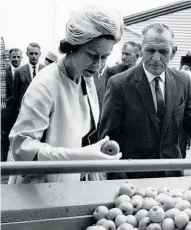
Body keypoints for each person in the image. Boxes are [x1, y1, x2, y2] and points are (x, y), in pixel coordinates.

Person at [99, 23, 191, 180]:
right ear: (140, 49)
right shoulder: (119, 84)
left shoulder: (182, 81)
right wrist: (119, 180)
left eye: (163, 51)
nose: (156, 58)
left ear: (173, 52)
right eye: (150, 50)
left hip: (172, 178)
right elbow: (108, 140)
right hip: (132, 180)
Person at [9, 5, 124, 184]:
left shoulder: (86, 77)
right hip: (40, 190)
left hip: (73, 183)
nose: (98, 65)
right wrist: (80, 156)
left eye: (104, 57)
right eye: (92, 55)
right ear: (72, 47)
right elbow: (21, 147)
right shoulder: (45, 84)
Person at [1, 48, 22, 161]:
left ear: (22, 57)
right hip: (7, 112)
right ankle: (3, 165)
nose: (16, 59)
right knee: (4, 139)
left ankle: (18, 166)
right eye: (14, 56)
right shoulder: (4, 72)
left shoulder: (24, 71)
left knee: (19, 139)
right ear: (10, 57)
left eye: (18, 57)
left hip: (20, 112)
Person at [13, 43, 45, 119]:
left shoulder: (45, 70)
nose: (34, 56)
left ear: (40, 54)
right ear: (27, 54)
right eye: (31, 53)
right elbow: (16, 95)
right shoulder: (19, 71)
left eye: (36, 53)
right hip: (24, 112)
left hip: (41, 111)